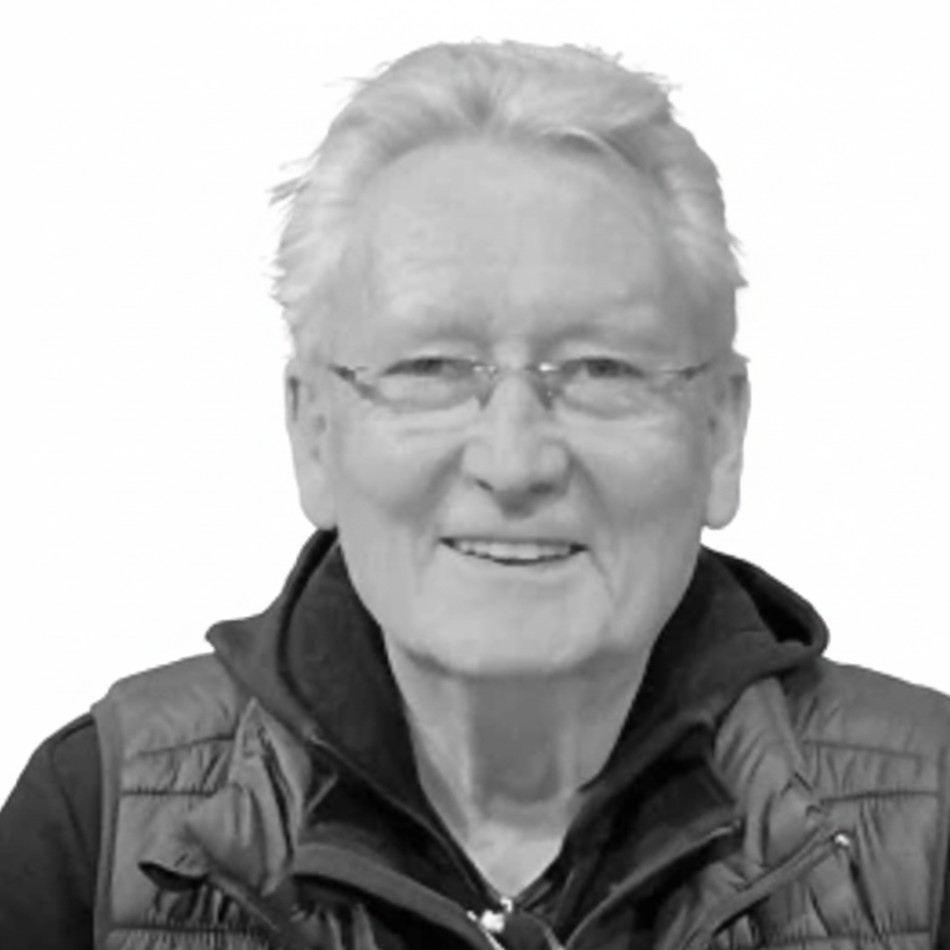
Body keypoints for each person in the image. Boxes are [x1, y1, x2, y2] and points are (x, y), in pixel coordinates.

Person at [1, 38, 949, 950]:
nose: (514, 460)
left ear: (721, 432)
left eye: (603, 369)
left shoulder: (931, 828)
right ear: (313, 431)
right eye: (430, 368)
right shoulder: (98, 825)